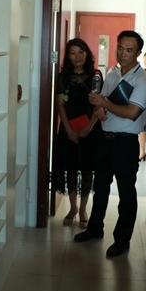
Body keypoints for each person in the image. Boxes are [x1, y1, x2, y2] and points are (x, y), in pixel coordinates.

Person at [74, 30, 146, 257]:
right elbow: (102, 103)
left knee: (126, 193)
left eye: (129, 50)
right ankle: (95, 228)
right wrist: (98, 109)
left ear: (138, 53)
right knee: (100, 188)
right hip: (104, 140)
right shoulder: (112, 73)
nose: (123, 53)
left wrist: (103, 103)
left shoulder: (142, 79)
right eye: (120, 48)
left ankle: (122, 240)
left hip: (125, 143)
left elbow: (132, 112)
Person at [52, 38, 102, 229]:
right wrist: (68, 130)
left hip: (91, 129)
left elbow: (99, 104)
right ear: (68, 56)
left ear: (87, 53)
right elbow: (60, 105)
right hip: (68, 129)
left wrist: (89, 127)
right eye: (73, 53)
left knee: (87, 170)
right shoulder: (63, 77)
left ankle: (83, 210)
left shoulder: (96, 76)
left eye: (81, 52)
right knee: (71, 169)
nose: (77, 56)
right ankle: (72, 208)